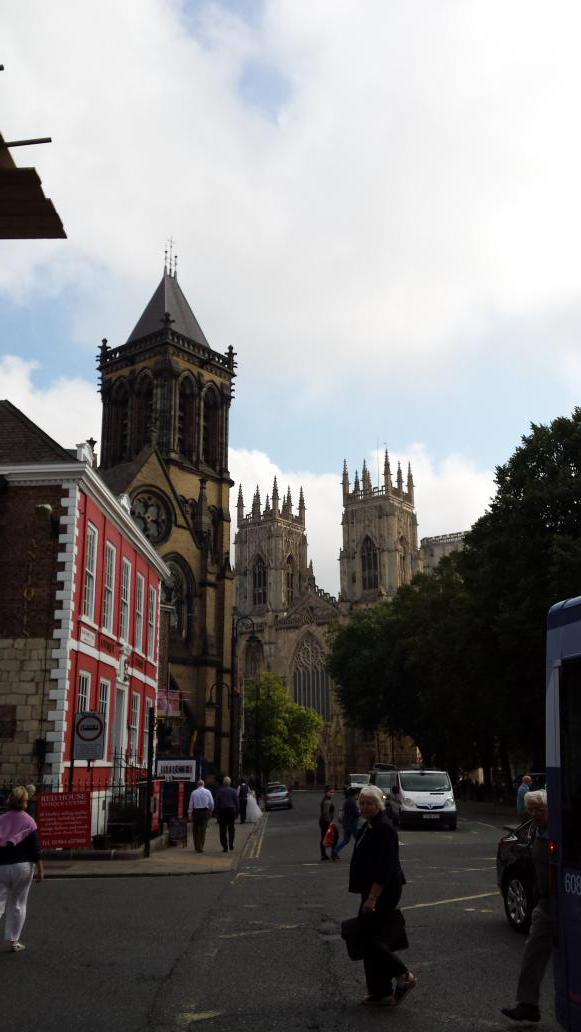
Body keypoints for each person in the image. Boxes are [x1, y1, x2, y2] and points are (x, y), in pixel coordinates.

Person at [349, 785, 416, 1007]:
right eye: (362, 803)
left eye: (369, 803)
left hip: (383, 890)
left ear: (379, 805)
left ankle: (403, 975)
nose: (365, 806)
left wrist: (372, 898)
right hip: (370, 889)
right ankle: (380, 991)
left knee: (368, 937)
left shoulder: (384, 829)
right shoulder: (369, 826)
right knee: (371, 937)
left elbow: (385, 868)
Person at [501, 789, 552, 1024]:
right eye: (530, 809)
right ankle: (527, 1005)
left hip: (567, 903)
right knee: (533, 952)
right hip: (546, 903)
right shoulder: (535, 831)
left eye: (539, 809)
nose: (534, 813)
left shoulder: (560, 830)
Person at [0, 786, 43, 952]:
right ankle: (14, 941)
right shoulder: (29, 821)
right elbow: (35, 848)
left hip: (2, 865)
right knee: (18, 903)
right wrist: (41, 869)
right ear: (25, 802)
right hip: (22, 867)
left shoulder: (1, 819)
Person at [187, 779, 214, 853]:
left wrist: (189, 814)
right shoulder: (208, 792)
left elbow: (191, 804)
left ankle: (196, 846)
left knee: (195, 830)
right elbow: (211, 803)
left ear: (197, 785)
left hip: (196, 812)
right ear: (203, 784)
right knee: (203, 830)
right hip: (205, 812)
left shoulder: (193, 793)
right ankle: (201, 847)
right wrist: (211, 811)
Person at [332, 788, 359, 861]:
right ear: (355, 794)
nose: (358, 796)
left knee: (346, 840)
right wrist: (360, 812)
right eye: (357, 794)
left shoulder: (347, 801)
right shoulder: (352, 802)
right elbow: (356, 813)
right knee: (359, 840)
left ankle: (335, 851)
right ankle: (360, 854)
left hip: (346, 823)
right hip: (352, 824)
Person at [214, 776, 239, 853]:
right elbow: (237, 802)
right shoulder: (233, 791)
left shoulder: (219, 791)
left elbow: (216, 803)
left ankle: (225, 847)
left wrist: (216, 812)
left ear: (223, 783)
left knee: (222, 830)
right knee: (231, 828)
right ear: (230, 783)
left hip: (222, 811)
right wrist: (237, 812)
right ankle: (231, 844)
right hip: (231, 811)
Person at [319, 786, 335, 861]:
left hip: (323, 821)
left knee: (324, 837)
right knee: (327, 837)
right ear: (326, 792)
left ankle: (324, 854)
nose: (332, 794)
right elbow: (326, 813)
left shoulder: (326, 799)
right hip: (325, 821)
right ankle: (326, 854)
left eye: (333, 792)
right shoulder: (327, 801)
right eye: (330, 792)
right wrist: (329, 822)